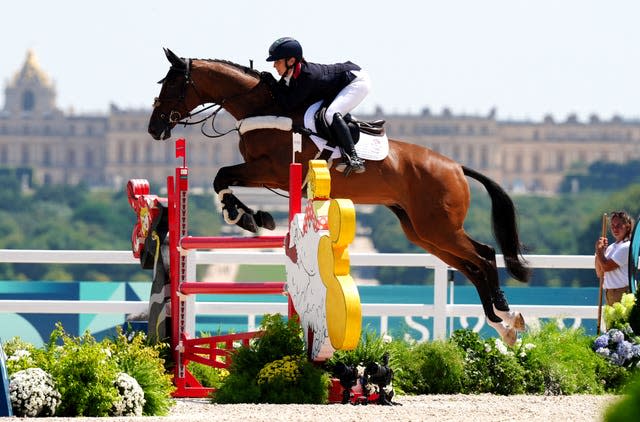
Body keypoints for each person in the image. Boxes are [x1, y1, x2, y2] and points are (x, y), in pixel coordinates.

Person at [262, 37, 370, 175]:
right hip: (336, 86)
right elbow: (282, 95)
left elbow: (288, 104)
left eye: (277, 61)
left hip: (356, 82)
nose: (274, 66)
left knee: (330, 114)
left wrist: (271, 83)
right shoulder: (292, 75)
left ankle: (353, 158)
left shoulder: (308, 76)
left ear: (291, 61)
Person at [595, 210, 634, 305]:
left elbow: (606, 267)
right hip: (609, 293)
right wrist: (598, 251)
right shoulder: (611, 247)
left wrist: (600, 251)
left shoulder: (627, 246)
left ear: (627, 226)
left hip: (623, 293)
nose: (615, 229)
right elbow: (599, 273)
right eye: (612, 226)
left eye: (618, 226)